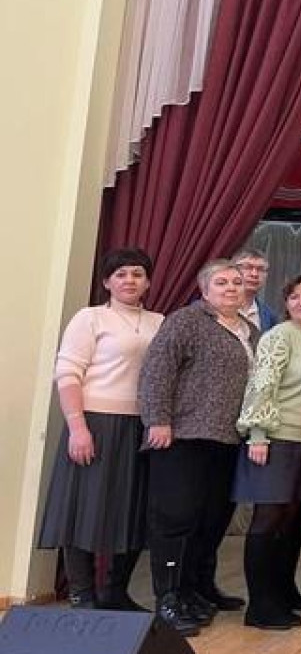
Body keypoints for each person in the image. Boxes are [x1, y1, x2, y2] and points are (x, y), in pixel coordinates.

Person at [38, 248, 164, 611]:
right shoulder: (90, 318)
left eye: (137, 274)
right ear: (107, 281)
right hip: (94, 423)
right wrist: (77, 427)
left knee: (132, 508)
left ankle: (115, 592)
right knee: (83, 508)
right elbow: (67, 374)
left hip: (141, 426)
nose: (129, 281)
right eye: (120, 274)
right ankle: (82, 592)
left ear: (148, 282)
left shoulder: (160, 322)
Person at [138, 259, 258, 636]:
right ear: (204, 290)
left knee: (211, 519)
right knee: (176, 518)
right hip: (183, 435)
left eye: (236, 282)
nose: (231, 288)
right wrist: (157, 419)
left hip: (228, 439)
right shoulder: (186, 321)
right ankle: (168, 599)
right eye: (221, 282)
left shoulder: (251, 331)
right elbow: (157, 370)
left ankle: (194, 589)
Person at [233, 276, 301, 630]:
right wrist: (257, 434)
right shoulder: (279, 336)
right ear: (287, 302)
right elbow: (262, 383)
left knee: (291, 522)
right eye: (295, 296)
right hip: (276, 437)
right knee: (268, 520)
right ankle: (259, 606)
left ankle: (280, 592)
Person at [233, 248, 277, 332]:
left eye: (260, 269)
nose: (254, 274)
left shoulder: (269, 316)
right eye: (248, 267)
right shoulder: (213, 310)